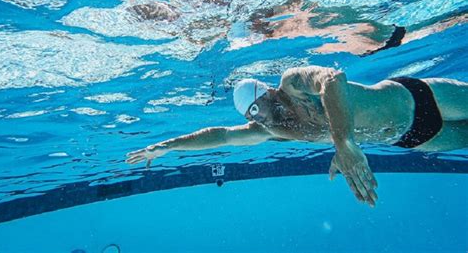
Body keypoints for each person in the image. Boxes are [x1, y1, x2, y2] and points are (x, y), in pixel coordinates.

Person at [126, 66, 468, 206]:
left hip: (417, 98)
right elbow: (222, 136)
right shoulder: (272, 128)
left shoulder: (292, 83)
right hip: (411, 137)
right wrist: (167, 145)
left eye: (264, 108)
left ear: (268, 92)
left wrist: (343, 142)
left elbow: (333, 78)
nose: (268, 118)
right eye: (255, 117)